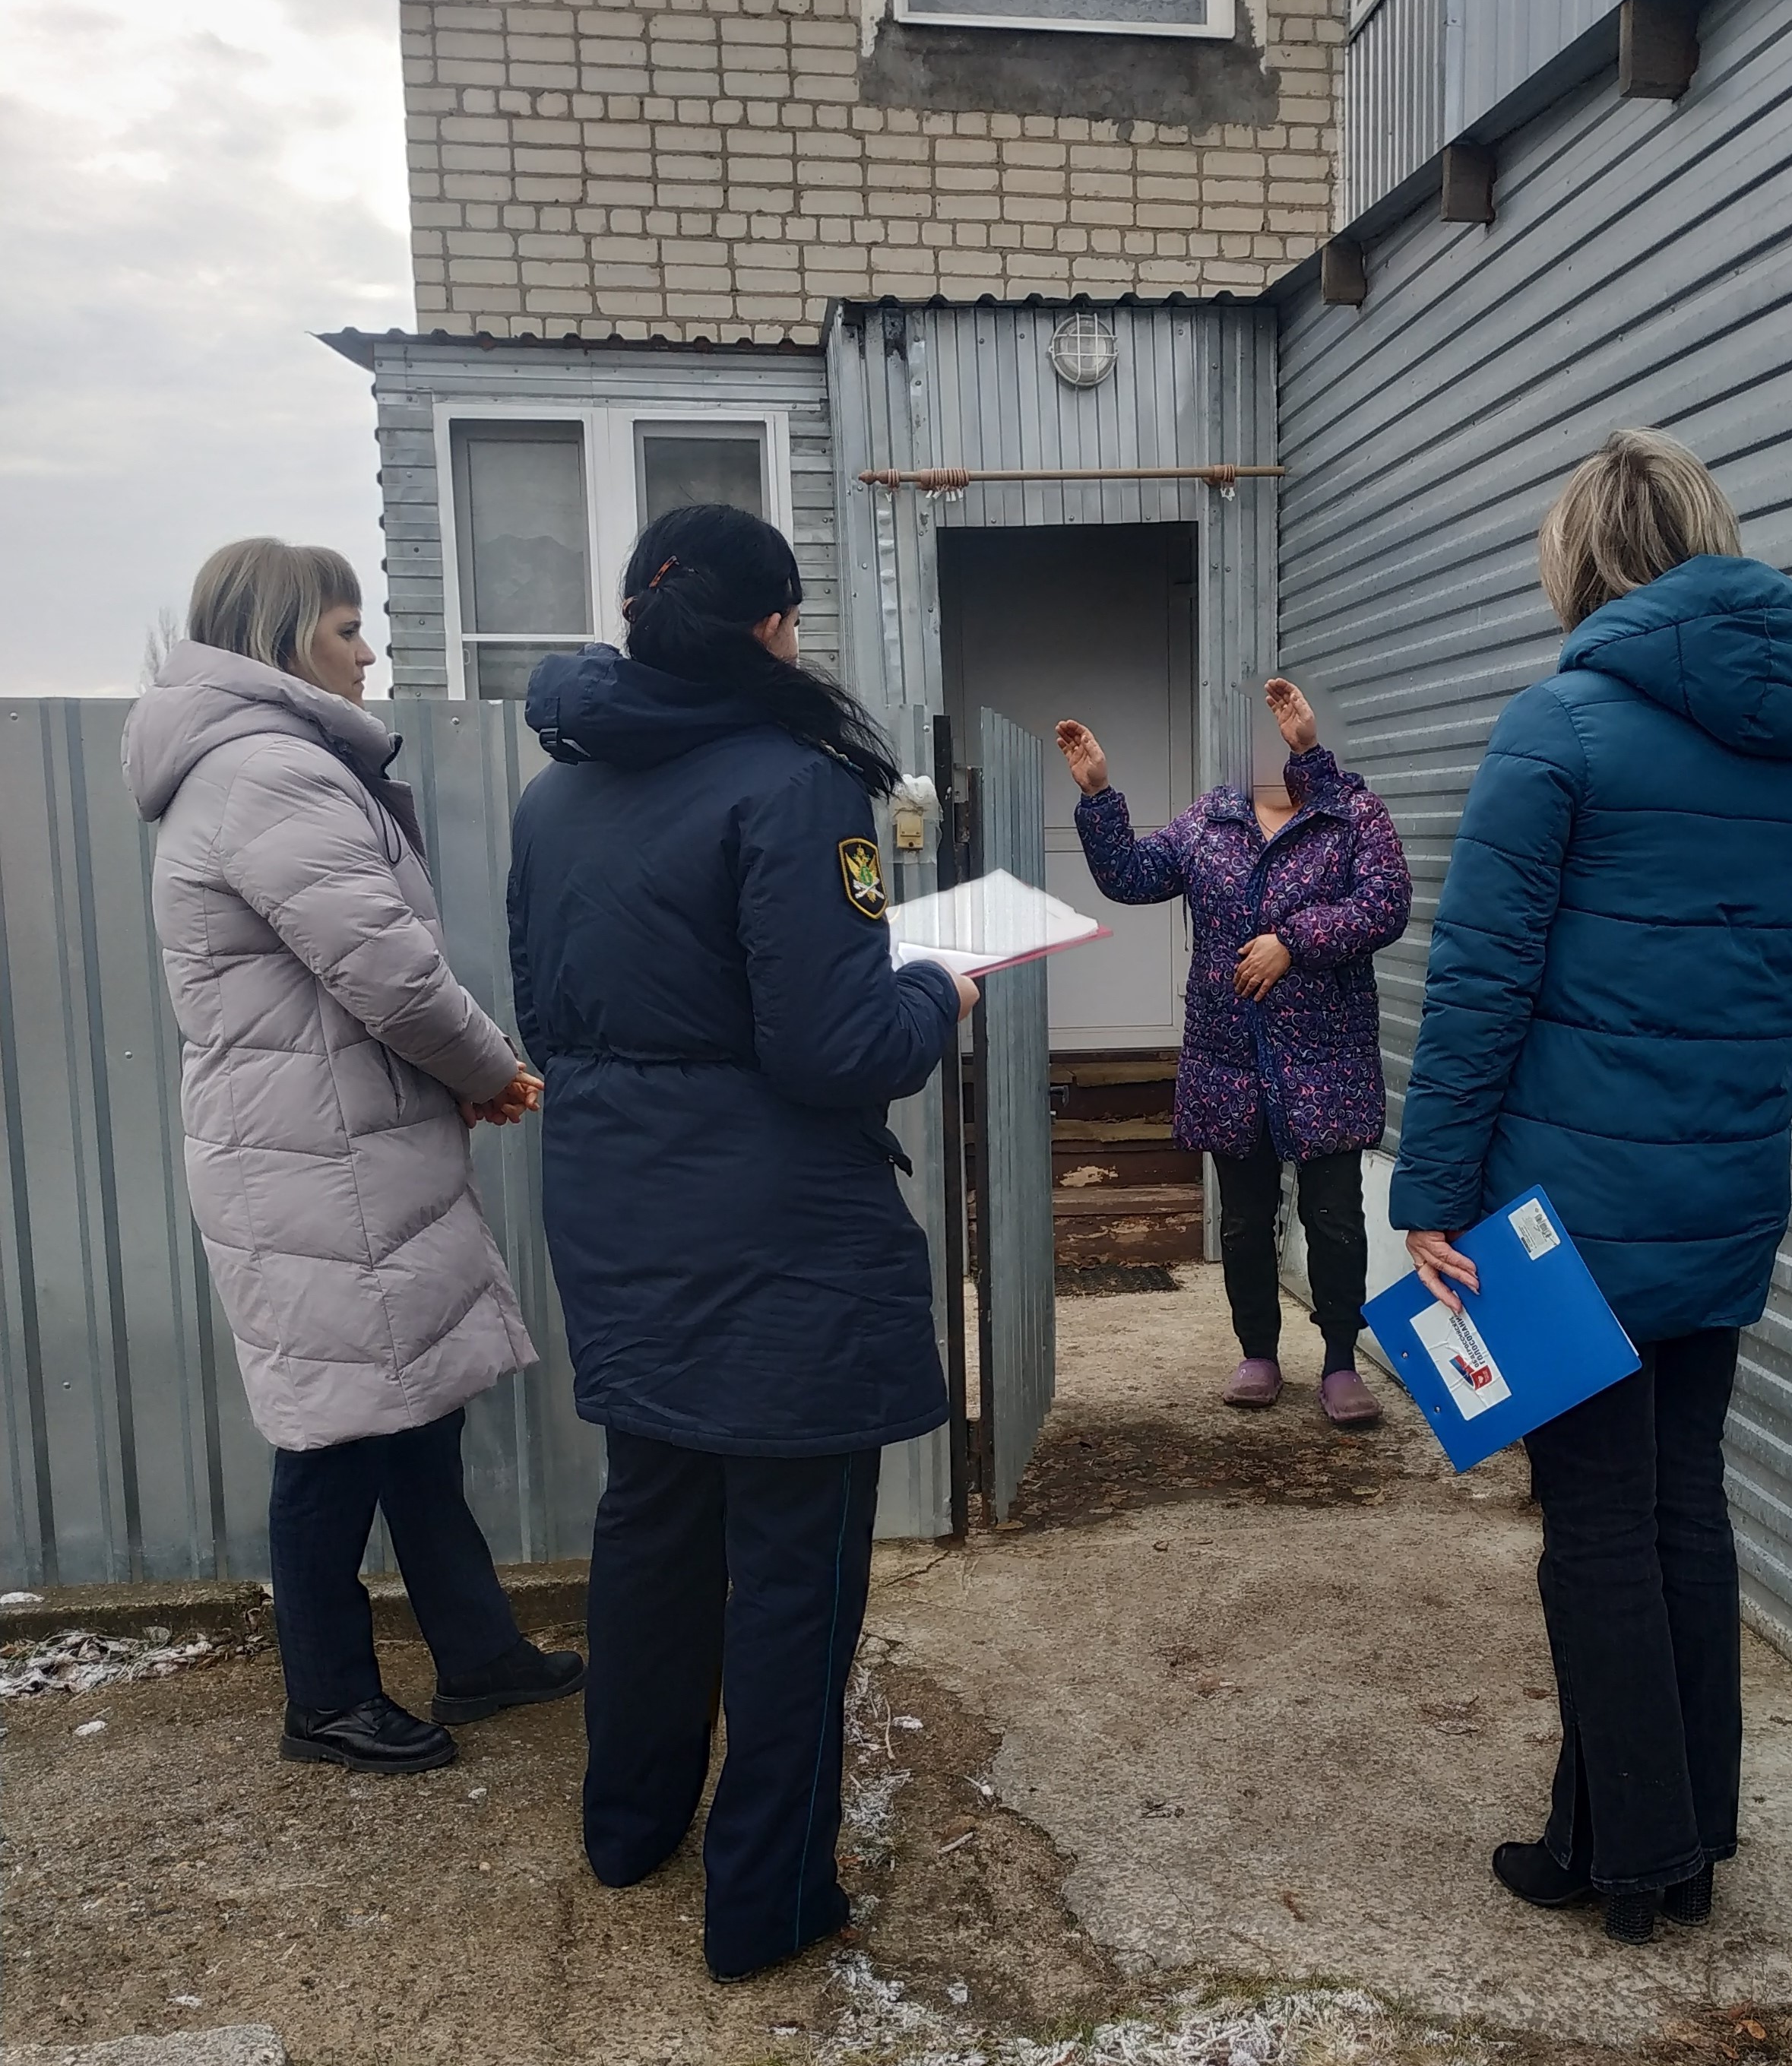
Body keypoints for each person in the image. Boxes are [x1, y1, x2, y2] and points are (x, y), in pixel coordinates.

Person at [1391, 430, 1792, 1947]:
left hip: (1565, 1207)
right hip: (1726, 1187)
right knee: (1681, 1506)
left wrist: (1431, 1196)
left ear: (1580, 558)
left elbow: (1477, 994)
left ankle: (1637, 1857)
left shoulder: (1559, 729)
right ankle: (1660, 1824)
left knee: (1593, 1521)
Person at [507, 503, 975, 1983]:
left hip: (619, 1208)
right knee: (794, 1565)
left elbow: (554, 1022)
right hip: (779, 1236)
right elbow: (837, 1045)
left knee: (651, 1523)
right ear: (772, 625)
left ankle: (630, 1824)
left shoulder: (555, 800)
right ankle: (766, 1898)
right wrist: (940, 992)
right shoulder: (797, 783)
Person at [125, 538, 581, 1775]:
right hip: (313, 1162)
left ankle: (478, 1654)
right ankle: (325, 1701)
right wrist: (491, 1071)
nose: (368, 649)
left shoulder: (259, 770)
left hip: (336, 1150)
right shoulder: (270, 773)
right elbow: (387, 972)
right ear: (281, 642)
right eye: (344, 626)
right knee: (333, 1442)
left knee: (412, 1424)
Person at [1056, 674, 1411, 1424]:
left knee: (1335, 1219)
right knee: (1246, 1221)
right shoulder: (1206, 824)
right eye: (1263, 730)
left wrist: (1293, 942)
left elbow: (1385, 907)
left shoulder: (1351, 817)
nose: (1272, 743)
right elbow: (1129, 877)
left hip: (1327, 1059)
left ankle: (1343, 1361)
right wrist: (1098, 796)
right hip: (1231, 1060)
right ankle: (1259, 1351)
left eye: (1289, 727)